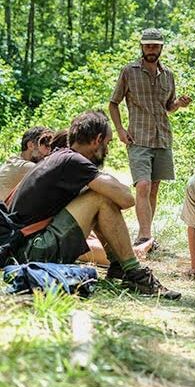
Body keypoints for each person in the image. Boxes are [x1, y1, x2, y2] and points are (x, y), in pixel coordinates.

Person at [6, 110, 180, 300]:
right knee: (100, 197)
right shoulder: (73, 161)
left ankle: (120, 268)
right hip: (32, 252)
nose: (108, 149)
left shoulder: (59, 158)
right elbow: (126, 199)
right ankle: (135, 274)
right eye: (108, 143)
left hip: (23, 249)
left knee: (98, 196)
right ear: (97, 139)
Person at [109, 28, 192, 248]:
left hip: (162, 138)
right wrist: (119, 130)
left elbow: (168, 106)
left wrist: (179, 105)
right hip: (138, 138)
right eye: (148, 46)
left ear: (161, 48)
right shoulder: (129, 71)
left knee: (154, 188)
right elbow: (113, 103)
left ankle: (147, 235)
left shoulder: (168, 75)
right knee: (143, 185)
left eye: (155, 46)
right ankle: (144, 236)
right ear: (142, 47)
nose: (151, 50)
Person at [0, 126, 53, 201]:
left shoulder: (15, 162)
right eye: (47, 146)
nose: (49, 151)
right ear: (31, 145)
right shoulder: (28, 167)